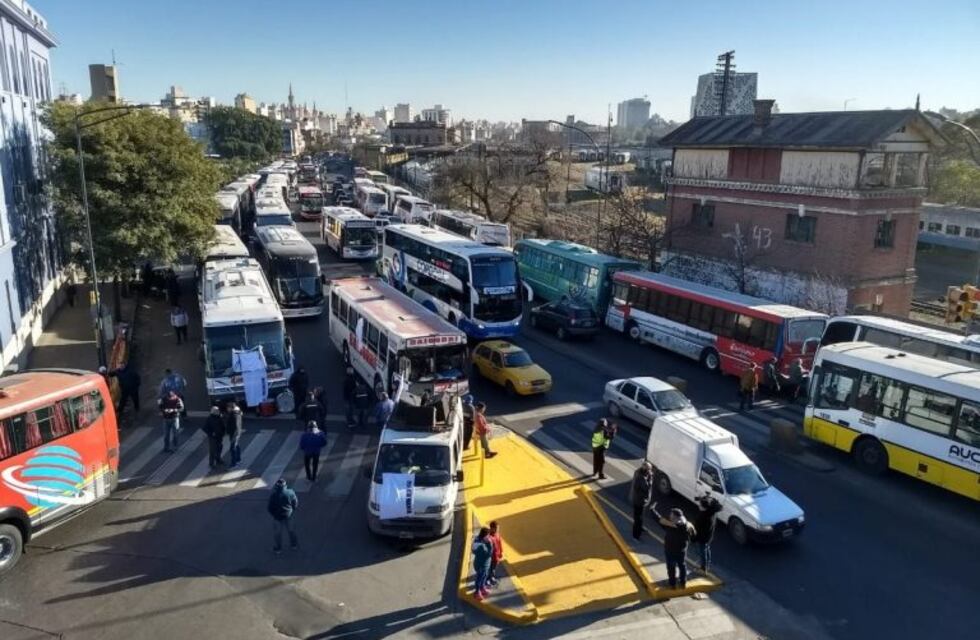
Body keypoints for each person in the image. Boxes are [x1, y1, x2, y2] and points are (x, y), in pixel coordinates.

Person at [652, 503, 697, 590]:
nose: (670, 516)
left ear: (675, 517)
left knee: (671, 567)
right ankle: (683, 582)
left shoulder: (671, 526)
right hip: (682, 550)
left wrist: (652, 510)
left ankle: (672, 584)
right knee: (682, 565)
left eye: (671, 515)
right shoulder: (688, 525)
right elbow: (694, 535)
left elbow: (659, 519)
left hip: (670, 550)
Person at [693, 496, 723, 574]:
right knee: (707, 548)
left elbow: (697, 529)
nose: (698, 506)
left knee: (702, 551)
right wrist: (702, 499)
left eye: (700, 505)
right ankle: (707, 563)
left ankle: (703, 568)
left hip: (702, 537)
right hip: (709, 536)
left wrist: (694, 538)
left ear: (705, 508)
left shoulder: (703, 517)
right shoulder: (712, 511)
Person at [267, 478, 299, 554]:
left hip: (278, 517)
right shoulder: (290, 492)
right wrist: (292, 510)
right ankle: (294, 545)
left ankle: (278, 549)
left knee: (278, 533)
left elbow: (270, 508)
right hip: (288, 515)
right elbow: (295, 503)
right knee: (291, 531)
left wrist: (274, 514)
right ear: (285, 485)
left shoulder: (274, 495)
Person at [629, 462, 654, 540]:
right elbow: (646, 487)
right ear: (646, 470)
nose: (650, 471)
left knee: (640, 516)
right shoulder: (641, 477)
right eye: (649, 469)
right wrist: (651, 478)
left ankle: (640, 527)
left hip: (638, 499)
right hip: (639, 501)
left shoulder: (638, 472)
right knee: (638, 518)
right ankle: (636, 535)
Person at [471, 526, 493, 601]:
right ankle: (477, 592)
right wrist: (489, 544)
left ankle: (482, 588)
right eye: (488, 535)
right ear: (485, 535)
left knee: (484, 576)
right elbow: (489, 554)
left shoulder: (477, 540)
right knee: (480, 578)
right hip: (482, 565)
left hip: (484, 564)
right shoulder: (482, 545)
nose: (489, 537)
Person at [224, 401, 243, 467]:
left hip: (234, 434)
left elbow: (234, 425)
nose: (227, 409)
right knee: (236, 446)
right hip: (236, 433)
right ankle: (238, 459)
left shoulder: (234, 415)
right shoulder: (236, 413)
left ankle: (234, 463)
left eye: (228, 408)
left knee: (233, 448)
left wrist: (228, 431)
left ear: (231, 408)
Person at [487, 520, 504, 588]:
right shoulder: (489, 538)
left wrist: (501, 552)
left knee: (494, 568)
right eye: (496, 528)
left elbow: (500, 544)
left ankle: (491, 577)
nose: (497, 529)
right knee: (490, 568)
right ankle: (489, 579)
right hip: (491, 557)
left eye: (498, 528)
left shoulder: (497, 535)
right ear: (492, 528)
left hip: (497, 556)